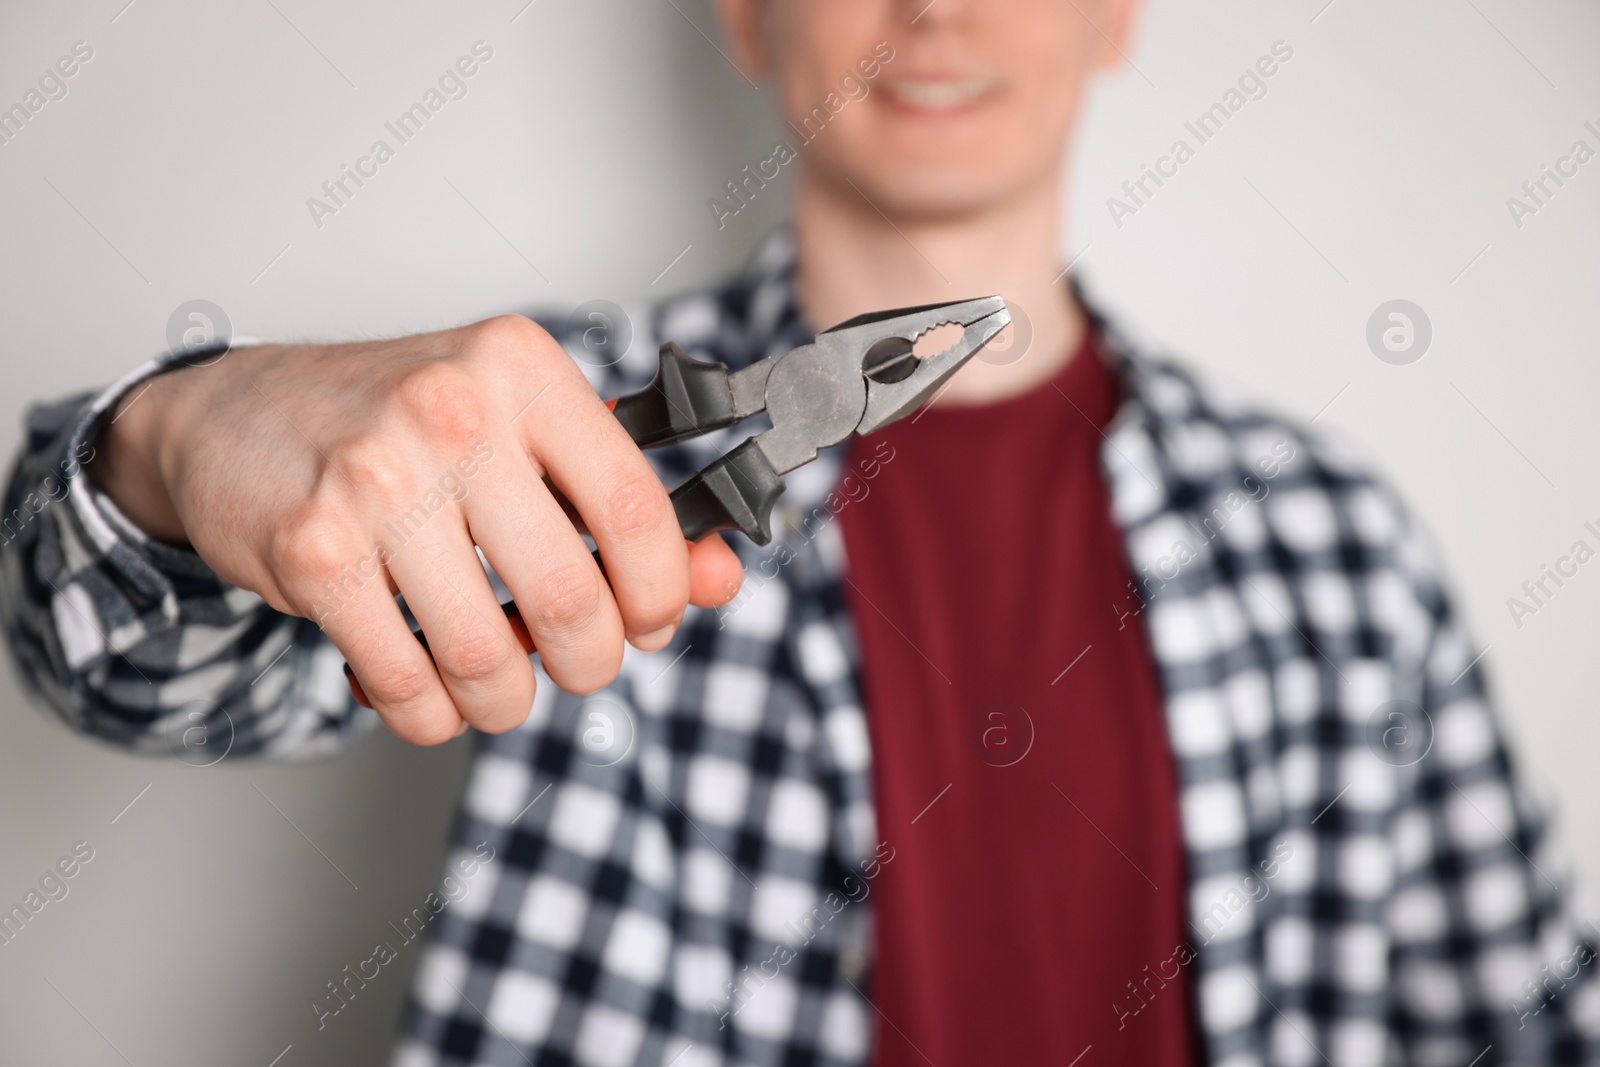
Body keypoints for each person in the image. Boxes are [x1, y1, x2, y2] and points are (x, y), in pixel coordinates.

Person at [4, 0, 1596, 1063]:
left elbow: (1533, 1030)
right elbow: (113, 666)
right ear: (746, 11)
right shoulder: (516, 426)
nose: (936, 9)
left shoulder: (1336, 551)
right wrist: (180, 441)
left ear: (1114, 12)